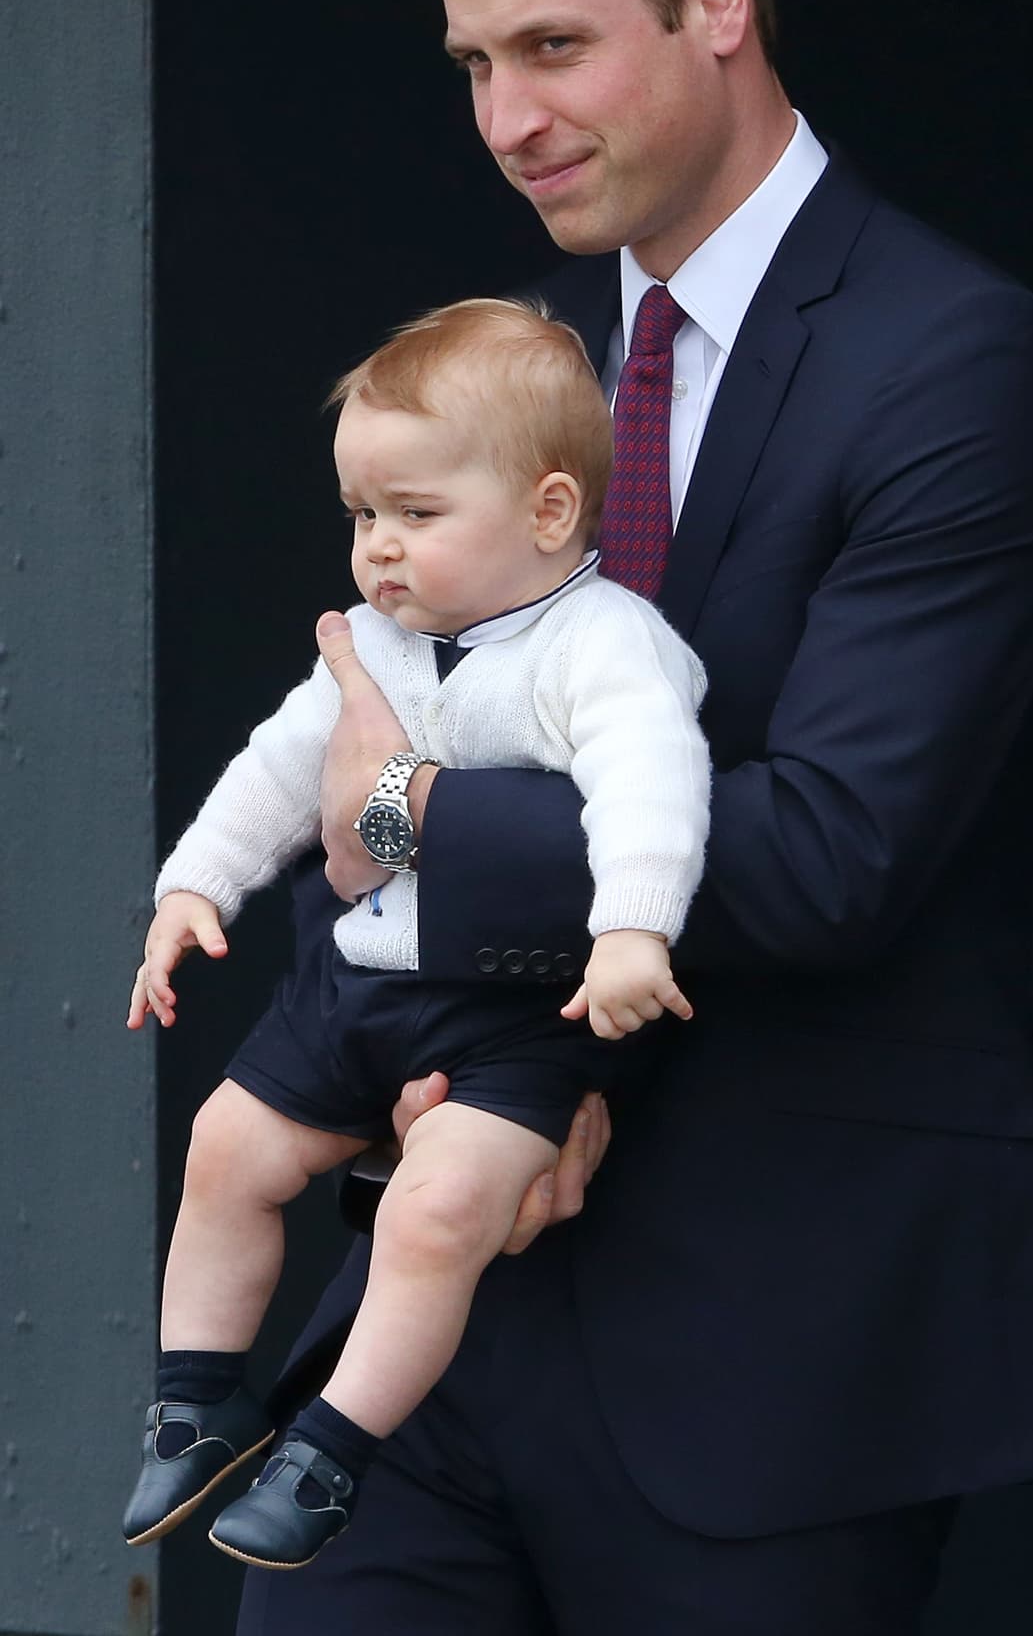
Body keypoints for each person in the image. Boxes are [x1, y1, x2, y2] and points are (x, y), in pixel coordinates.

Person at [238, 0, 1033, 1636]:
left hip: (770, 1347)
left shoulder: (955, 359)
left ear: (716, 0)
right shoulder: (520, 365)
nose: (509, 120)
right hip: (439, 1300)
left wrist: (397, 820)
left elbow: (826, 849)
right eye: (475, 61)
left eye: (555, 46)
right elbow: (357, 727)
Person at [122, 298, 709, 1569]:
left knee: (434, 1209)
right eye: (361, 515)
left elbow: (652, 784)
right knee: (226, 1142)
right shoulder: (380, 644)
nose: (378, 548)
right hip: (360, 989)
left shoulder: (605, 646)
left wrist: (631, 931)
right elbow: (282, 771)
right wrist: (192, 889)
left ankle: (331, 1448)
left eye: (416, 515)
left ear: (551, 513)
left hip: (515, 1016)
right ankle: (196, 1395)